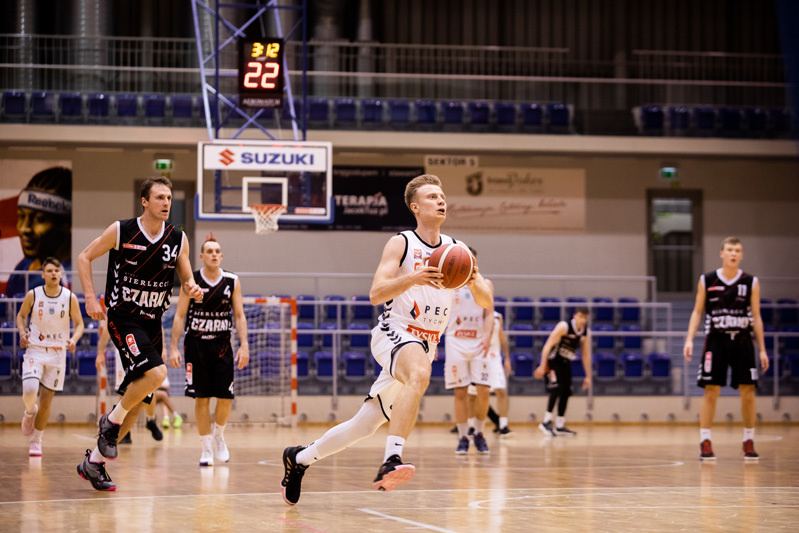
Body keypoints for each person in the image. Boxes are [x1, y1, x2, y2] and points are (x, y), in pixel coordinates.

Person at [280, 174, 492, 505]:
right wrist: (414, 277)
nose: (440, 200)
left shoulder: (457, 250)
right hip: (395, 331)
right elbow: (376, 293)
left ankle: (299, 458)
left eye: (442, 196)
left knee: (364, 425)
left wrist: (474, 279)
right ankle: (392, 459)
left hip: (427, 343)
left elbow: (486, 301)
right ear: (415, 206)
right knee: (419, 373)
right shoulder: (401, 243)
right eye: (432, 196)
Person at [75, 177, 203, 491]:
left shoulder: (178, 238)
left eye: (169, 197)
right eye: (159, 197)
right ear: (144, 201)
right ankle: (109, 421)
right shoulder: (122, 230)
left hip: (152, 322)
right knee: (158, 374)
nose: (166, 202)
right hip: (124, 317)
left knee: (136, 407)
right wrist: (90, 298)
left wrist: (192, 287)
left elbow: (186, 274)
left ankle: (93, 463)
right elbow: (84, 257)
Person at [683, 236, 768, 461]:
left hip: (742, 340)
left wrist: (762, 349)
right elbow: (697, 312)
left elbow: (757, 316)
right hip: (716, 341)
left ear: (741, 255)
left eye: (737, 250)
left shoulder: (751, 282)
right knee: (711, 390)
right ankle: (705, 441)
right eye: (729, 250)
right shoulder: (707, 280)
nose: (733, 254)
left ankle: (748, 440)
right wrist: (689, 339)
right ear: (722, 253)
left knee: (748, 391)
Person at [169, 236, 249, 467]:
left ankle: (219, 437)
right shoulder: (191, 280)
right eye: (209, 251)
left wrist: (244, 345)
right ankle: (205, 448)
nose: (214, 254)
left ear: (221, 256)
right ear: (202, 256)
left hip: (222, 346)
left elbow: (239, 315)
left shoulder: (232, 281)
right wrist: (173, 347)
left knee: (225, 397)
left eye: (217, 251)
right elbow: (180, 315)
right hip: (196, 346)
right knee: (201, 398)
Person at [16, 257, 84, 456]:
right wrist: (22, 333)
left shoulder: (69, 297)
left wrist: (74, 339)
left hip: (57, 353)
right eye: (50, 271)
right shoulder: (33, 294)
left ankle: (36, 441)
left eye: (57, 270)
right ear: (43, 274)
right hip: (35, 349)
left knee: (46, 400)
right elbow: (21, 316)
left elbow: (79, 324)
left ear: (61, 274)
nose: (54, 273)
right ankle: (30, 412)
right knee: (30, 390)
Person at [444, 248, 494, 455]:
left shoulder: (486, 283)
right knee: (460, 391)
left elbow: (489, 313)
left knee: (484, 390)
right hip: (455, 340)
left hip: (479, 341)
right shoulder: (448, 283)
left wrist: (488, 336)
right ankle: (463, 436)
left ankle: (479, 433)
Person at [95, 315, 169, 443]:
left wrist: (164, 347)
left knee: (147, 392)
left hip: (146, 348)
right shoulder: (119, 306)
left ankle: (150, 419)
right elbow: (109, 323)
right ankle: (121, 430)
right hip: (125, 350)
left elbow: (157, 321)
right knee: (125, 392)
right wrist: (101, 351)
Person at [6, 167, 73, 297]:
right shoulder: (25, 265)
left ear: (66, 225)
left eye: (40, 219)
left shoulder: (66, 277)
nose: (25, 228)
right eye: (21, 216)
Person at [534, 306, 591, 436]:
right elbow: (547, 345)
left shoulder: (585, 332)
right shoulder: (564, 326)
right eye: (581, 317)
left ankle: (560, 425)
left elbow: (586, 355)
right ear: (575, 316)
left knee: (566, 392)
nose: (583, 320)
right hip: (552, 362)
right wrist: (542, 365)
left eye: (585, 318)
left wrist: (588, 376)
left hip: (565, 362)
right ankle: (546, 421)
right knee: (556, 389)